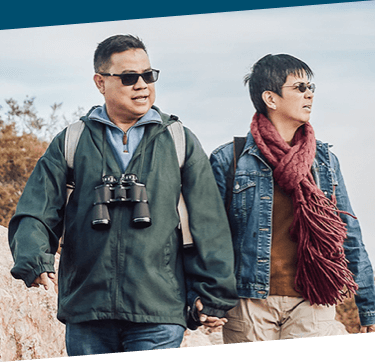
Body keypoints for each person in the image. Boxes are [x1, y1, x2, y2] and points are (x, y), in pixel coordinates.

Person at [8, 34, 238, 355]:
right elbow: (37, 207)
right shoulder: (72, 140)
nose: (142, 85)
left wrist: (212, 294)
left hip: (159, 309)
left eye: (148, 75)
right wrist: (33, 256)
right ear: (100, 82)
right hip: (88, 308)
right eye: (129, 78)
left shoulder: (179, 140)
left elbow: (208, 222)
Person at [210, 54, 375, 342]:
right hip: (249, 300)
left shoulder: (324, 160)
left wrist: (369, 305)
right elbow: (210, 236)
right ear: (271, 99)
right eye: (299, 87)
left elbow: (348, 233)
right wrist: (209, 296)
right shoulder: (230, 158)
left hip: (313, 298)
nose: (309, 93)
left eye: (311, 87)